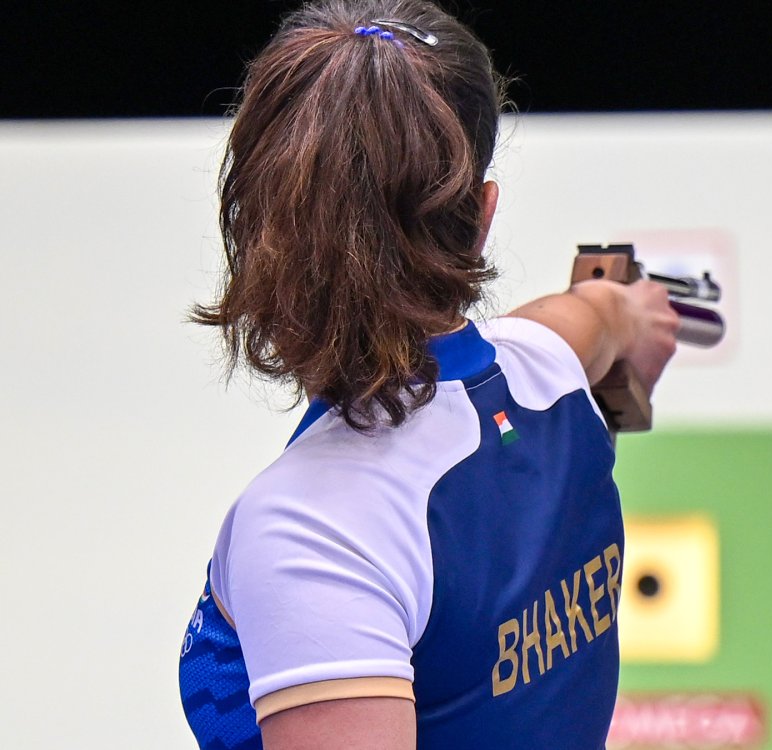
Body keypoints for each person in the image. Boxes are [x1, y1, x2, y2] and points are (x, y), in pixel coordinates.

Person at [176, 2, 680, 749]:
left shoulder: (317, 526)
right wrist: (642, 314)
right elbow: (606, 314)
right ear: (481, 214)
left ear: (261, 223)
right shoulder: (548, 367)